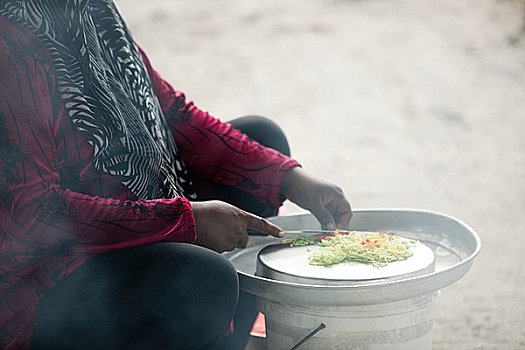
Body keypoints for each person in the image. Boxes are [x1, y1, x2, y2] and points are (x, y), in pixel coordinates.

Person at [0, 1, 352, 349]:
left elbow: (172, 114)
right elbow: (33, 213)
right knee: (201, 276)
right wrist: (184, 221)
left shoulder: (87, 11)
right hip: (43, 288)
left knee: (262, 136)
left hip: (117, 226)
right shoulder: (11, 42)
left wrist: (286, 177)